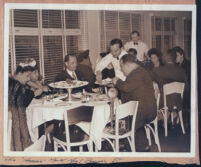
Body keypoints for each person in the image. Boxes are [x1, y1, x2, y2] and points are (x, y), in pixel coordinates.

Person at [112, 54, 157, 152]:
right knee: (132, 121)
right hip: (146, 109)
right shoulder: (140, 71)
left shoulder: (137, 73)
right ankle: (142, 146)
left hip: (144, 111)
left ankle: (128, 148)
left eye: (122, 67)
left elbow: (127, 87)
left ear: (128, 65)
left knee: (120, 120)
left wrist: (117, 81)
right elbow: (131, 89)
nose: (122, 70)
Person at [8, 58, 44, 151]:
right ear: (19, 73)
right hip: (16, 121)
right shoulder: (17, 87)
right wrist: (35, 92)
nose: (28, 79)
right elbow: (23, 104)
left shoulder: (13, 82)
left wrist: (33, 85)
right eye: (27, 76)